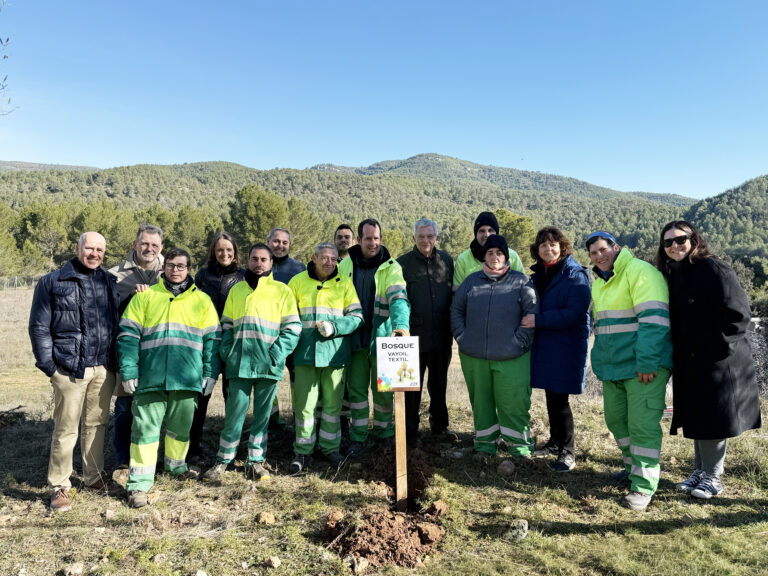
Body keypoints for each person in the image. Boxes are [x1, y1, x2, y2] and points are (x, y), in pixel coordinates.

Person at [656, 221, 761, 499]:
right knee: (698, 415)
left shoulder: (715, 268)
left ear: (694, 239)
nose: (674, 246)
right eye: (667, 243)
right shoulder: (674, 272)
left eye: (680, 240)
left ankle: (713, 477)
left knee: (713, 417)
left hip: (719, 359)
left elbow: (739, 315)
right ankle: (700, 472)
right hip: (690, 359)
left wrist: (717, 350)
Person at [118, 248, 221, 508]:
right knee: (144, 431)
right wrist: (129, 370)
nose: (176, 270)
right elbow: (128, 336)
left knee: (180, 429)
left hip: (186, 380)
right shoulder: (146, 296)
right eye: (172, 265)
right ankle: (139, 485)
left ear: (189, 269)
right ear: (164, 268)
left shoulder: (203, 301)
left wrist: (210, 373)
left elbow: (212, 341)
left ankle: (176, 468)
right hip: (150, 379)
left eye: (182, 266)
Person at [29, 232, 119, 512]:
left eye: (100, 249)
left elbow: (114, 323)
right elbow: (39, 327)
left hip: (102, 368)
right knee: (66, 428)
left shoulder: (109, 281)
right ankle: (60, 485)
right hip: (68, 369)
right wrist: (49, 367)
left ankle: (93, 476)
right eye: (89, 248)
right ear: (78, 248)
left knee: (96, 425)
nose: (94, 254)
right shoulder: (53, 281)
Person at [587, 230, 672, 511]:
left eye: (603, 249)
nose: (599, 256)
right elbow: (603, 327)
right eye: (593, 253)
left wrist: (647, 362)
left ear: (616, 247)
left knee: (642, 426)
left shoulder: (640, 272)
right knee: (617, 421)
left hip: (643, 367)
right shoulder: (599, 282)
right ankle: (632, 469)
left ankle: (644, 487)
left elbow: (654, 319)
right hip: (614, 368)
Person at [203, 243, 300, 483]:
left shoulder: (282, 291)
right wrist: (228, 351)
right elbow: (226, 325)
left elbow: (293, 328)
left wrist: (276, 354)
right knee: (234, 415)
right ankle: (223, 459)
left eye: (263, 259)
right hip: (240, 364)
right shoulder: (236, 291)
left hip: (269, 365)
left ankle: (255, 461)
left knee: (262, 417)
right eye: (254, 259)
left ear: (271, 263)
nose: (259, 263)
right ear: (248, 260)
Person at [451, 235, 537, 458]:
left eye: (499, 253)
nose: (495, 257)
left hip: (512, 356)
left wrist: (519, 341)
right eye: (490, 253)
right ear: (484, 256)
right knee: (481, 402)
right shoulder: (472, 281)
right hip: (474, 356)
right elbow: (456, 310)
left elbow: (532, 313)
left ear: (506, 256)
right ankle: (485, 445)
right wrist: (462, 336)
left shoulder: (521, 281)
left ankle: (519, 447)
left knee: (514, 403)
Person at [287, 242, 363, 472]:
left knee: (332, 407)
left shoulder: (344, 284)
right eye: (324, 258)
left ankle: (330, 448)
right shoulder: (298, 282)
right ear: (314, 258)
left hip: (335, 356)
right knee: (304, 407)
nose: (329, 262)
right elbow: (288, 316)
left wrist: (335, 327)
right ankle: (303, 451)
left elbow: (357, 316)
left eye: (333, 259)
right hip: (305, 355)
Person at [339, 219, 410, 457]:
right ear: (358, 240)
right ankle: (357, 438)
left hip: (382, 339)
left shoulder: (392, 267)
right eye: (368, 238)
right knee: (357, 392)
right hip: (355, 340)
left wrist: (400, 325)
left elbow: (399, 299)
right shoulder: (344, 266)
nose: (373, 243)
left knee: (384, 392)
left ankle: (384, 434)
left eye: (377, 238)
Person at [521, 227, 590, 472]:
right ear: (537, 250)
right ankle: (555, 441)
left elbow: (575, 313)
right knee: (552, 395)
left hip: (567, 345)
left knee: (560, 399)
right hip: (547, 344)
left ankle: (568, 451)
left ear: (562, 246)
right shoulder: (539, 274)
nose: (548, 249)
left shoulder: (575, 274)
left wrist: (539, 321)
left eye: (552, 244)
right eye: (543, 245)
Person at [108, 224, 164, 482]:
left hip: (160, 353)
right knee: (124, 406)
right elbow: (107, 314)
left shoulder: (170, 272)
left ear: (160, 248)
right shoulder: (114, 275)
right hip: (127, 351)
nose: (149, 249)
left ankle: (153, 454)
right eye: (144, 244)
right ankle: (122, 457)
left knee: (156, 405)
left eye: (154, 245)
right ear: (135, 244)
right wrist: (130, 298)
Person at [188, 231, 246, 461]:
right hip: (208, 342)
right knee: (202, 395)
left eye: (229, 250)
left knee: (233, 397)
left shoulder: (243, 276)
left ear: (235, 252)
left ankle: (232, 446)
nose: (224, 254)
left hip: (234, 342)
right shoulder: (202, 275)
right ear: (213, 251)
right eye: (220, 250)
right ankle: (193, 445)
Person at [397, 218, 455, 444]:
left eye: (430, 236)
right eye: (421, 236)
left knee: (439, 384)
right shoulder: (402, 264)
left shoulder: (447, 261)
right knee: (412, 387)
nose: (426, 240)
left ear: (437, 238)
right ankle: (410, 432)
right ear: (414, 238)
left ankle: (440, 426)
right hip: (413, 336)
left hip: (442, 335)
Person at [453, 211, 524, 290]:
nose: (486, 234)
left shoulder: (512, 256)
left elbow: (522, 286)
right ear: (476, 234)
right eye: (482, 231)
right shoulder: (463, 259)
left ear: (496, 232)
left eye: (490, 230)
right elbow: (457, 291)